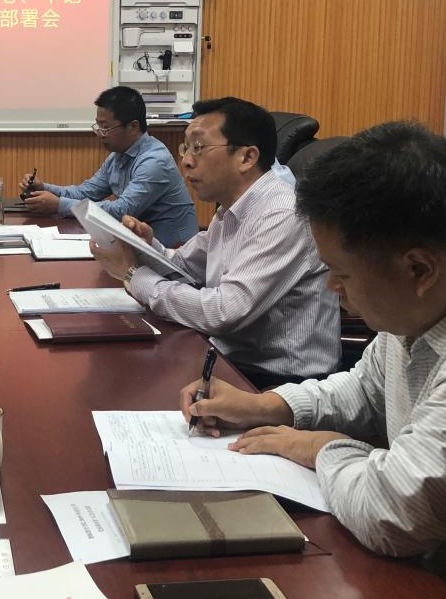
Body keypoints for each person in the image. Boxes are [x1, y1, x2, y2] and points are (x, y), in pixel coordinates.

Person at [179, 121, 446, 599]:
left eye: (341, 274)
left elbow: (394, 515)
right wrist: (268, 406)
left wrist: (320, 447)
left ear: (419, 268)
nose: (330, 288)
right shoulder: (430, 298)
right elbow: (365, 389)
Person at [92, 96, 340, 385]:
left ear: (247, 157)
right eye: (186, 148)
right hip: (226, 358)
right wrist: (144, 246)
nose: (186, 160)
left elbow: (222, 312)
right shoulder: (231, 208)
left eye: (198, 147)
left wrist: (133, 275)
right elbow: (184, 266)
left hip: (277, 382)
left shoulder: (281, 215)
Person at [20, 86, 197, 247]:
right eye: (98, 126)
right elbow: (86, 192)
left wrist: (59, 205)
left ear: (133, 126)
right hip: (141, 244)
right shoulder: (117, 156)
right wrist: (45, 188)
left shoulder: (155, 161)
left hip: (175, 251)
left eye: (105, 127)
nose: (100, 134)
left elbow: (121, 211)